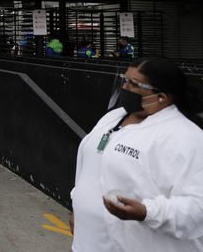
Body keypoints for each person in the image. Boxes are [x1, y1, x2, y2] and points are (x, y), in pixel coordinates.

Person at [70, 57, 203, 251]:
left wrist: (146, 213)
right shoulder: (113, 117)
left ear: (161, 97)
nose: (124, 87)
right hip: (88, 243)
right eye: (124, 79)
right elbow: (87, 170)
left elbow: (197, 208)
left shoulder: (186, 137)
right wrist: (76, 209)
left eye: (133, 84)